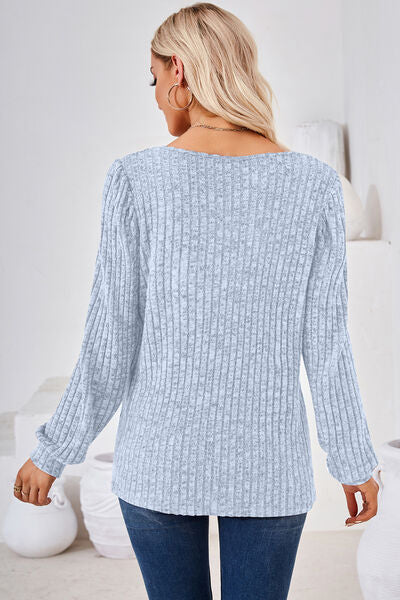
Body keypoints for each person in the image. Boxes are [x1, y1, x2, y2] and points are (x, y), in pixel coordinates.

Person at [14, 3, 379, 599]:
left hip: (158, 461)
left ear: (179, 71)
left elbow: (111, 341)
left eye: (154, 79)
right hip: (269, 466)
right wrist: (353, 460)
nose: (157, 97)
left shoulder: (135, 180)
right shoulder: (313, 186)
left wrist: (52, 452)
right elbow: (327, 346)